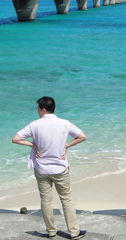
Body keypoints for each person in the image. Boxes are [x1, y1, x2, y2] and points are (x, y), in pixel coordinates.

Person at [12, 96, 87, 239]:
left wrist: (32, 144)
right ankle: (74, 232)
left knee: (46, 200)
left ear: (43, 109)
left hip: (41, 169)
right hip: (60, 168)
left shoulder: (34, 125)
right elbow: (82, 137)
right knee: (66, 199)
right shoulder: (65, 123)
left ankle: (51, 231)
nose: (38, 112)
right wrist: (66, 146)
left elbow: (15, 139)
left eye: (38, 109)